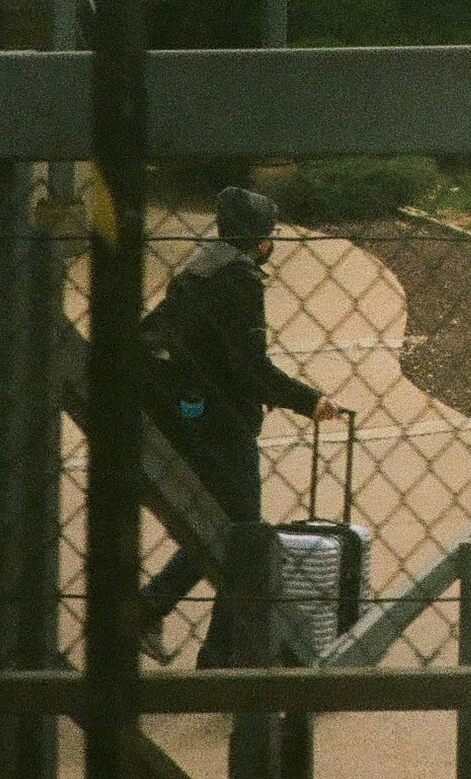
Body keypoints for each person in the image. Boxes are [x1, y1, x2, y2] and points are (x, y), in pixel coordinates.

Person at [139, 186, 350, 665]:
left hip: (190, 415)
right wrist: (308, 400)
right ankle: (210, 652)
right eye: (269, 234)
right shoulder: (240, 281)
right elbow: (248, 366)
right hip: (223, 427)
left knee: (221, 532)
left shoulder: (197, 270)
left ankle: (166, 619)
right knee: (244, 538)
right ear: (258, 239)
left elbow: (211, 356)